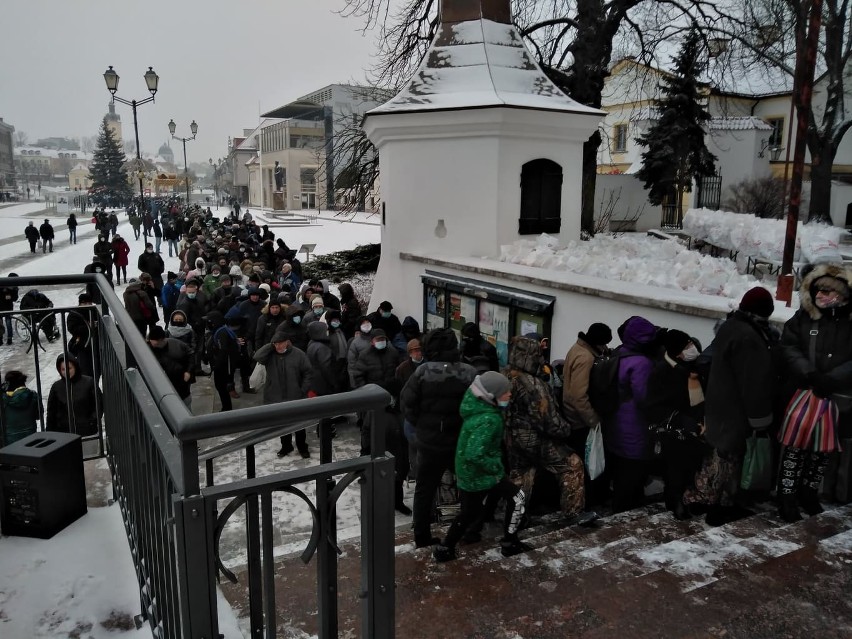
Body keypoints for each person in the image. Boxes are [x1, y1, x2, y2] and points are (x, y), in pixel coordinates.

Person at [684, 287, 776, 525]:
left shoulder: (730, 327)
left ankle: (701, 499)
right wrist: (761, 420)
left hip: (719, 406)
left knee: (719, 458)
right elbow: (753, 383)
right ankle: (719, 509)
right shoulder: (749, 338)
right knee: (730, 461)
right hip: (736, 412)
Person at [777, 264, 852, 521]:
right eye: (818, 289)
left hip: (835, 396)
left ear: (841, 296)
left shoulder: (848, 322)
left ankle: (808, 493)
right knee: (795, 447)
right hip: (803, 391)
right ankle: (786, 497)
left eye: (828, 291)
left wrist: (833, 379)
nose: (822, 295)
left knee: (822, 450)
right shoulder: (803, 317)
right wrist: (809, 373)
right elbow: (788, 346)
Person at [433, 372, 529, 562]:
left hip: (469, 473)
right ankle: (510, 543)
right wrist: (496, 468)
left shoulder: (477, 408)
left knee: (469, 512)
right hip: (482, 474)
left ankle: (446, 547)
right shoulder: (489, 419)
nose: (509, 395)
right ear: (492, 395)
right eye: (505, 392)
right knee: (518, 498)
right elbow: (475, 453)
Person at [503, 335, 594, 524]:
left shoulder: (505, 375)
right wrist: (566, 430)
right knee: (572, 465)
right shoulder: (535, 386)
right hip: (537, 441)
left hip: (512, 439)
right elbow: (550, 422)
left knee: (521, 476)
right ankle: (573, 513)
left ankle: (516, 519)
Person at [401, 328, 478, 547]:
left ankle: (422, 536)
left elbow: (406, 403)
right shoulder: (468, 372)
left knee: (424, 490)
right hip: (458, 442)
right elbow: (477, 406)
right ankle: (469, 530)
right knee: (467, 486)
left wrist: (422, 426)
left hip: (429, 442)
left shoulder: (422, 372)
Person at [645, 329, 708, 520]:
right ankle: (675, 501)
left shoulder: (692, 367)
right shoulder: (662, 371)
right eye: (687, 345)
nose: (691, 348)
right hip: (674, 428)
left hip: (694, 426)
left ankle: (686, 498)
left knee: (690, 465)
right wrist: (681, 419)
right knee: (675, 467)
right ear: (677, 351)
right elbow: (655, 405)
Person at [351, 329, 410, 514]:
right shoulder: (365, 355)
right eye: (379, 339)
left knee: (398, 475)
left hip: (398, 448)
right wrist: (367, 393)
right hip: (374, 397)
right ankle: (377, 505)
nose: (382, 342)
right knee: (379, 475)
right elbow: (357, 375)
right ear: (372, 341)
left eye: (384, 339)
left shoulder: (392, 352)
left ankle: (397, 503)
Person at [562, 322, 613, 504]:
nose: (606, 347)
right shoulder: (586, 358)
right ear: (598, 342)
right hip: (580, 421)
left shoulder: (577, 347)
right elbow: (578, 395)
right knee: (588, 465)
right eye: (604, 343)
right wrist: (593, 419)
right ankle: (587, 501)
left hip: (571, 416)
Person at [254, 328, 315, 458]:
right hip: (276, 396)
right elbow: (257, 356)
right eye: (275, 344)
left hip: (295, 395)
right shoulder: (270, 354)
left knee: (299, 425)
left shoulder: (298, 354)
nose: (278, 346)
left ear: (287, 342)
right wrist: (270, 346)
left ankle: (302, 446)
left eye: (280, 343)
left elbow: (308, 372)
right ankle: (286, 446)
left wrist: (302, 389)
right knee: (282, 425)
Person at [46, 353, 101, 436]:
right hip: (65, 435)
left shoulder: (88, 382)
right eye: (63, 369)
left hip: (87, 432)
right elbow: (51, 412)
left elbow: (99, 404)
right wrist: (50, 433)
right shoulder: (56, 387)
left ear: (75, 367)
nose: (66, 372)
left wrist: (92, 421)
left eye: (69, 368)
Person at [148, 325, 193, 410]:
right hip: (162, 387)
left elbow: (191, 355)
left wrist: (188, 371)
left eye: (156, 343)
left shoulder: (177, 345)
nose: (153, 346)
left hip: (181, 384)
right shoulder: (149, 349)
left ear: (161, 340)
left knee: (185, 406)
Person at [1, 370, 41, 446]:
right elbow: (38, 416)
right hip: (31, 440)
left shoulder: (3, 400)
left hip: (9, 444)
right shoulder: (33, 396)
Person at [123, 273, 159, 337]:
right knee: (142, 333)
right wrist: (152, 308)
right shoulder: (142, 293)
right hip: (142, 316)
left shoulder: (125, 294)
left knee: (135, 334)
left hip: (131, 316)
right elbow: (149, 305)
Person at [0, 273, 19, 345]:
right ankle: (1, 338)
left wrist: (11, 296)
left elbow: (15, 298)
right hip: (2, 306)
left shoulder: (14, 288)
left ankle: (9, 338)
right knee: (2, 323)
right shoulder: (2, 285)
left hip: (8, 307)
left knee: (8, 322)